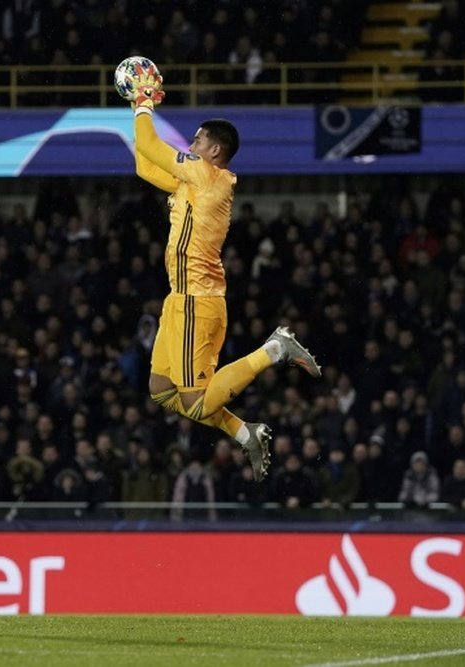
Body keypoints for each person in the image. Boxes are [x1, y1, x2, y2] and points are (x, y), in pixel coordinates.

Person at [126, 65, 321, 481]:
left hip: (198, 300)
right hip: (182, 299)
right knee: (161, 391)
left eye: (196, 140)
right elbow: (145, 164)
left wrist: (142, 102)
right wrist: (136, 107)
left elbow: (149, 143)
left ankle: (274, 349)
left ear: (214, 151)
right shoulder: (193, 183)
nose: (191, 144)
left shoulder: (204, 174)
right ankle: (243, 431)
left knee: (196, 403)